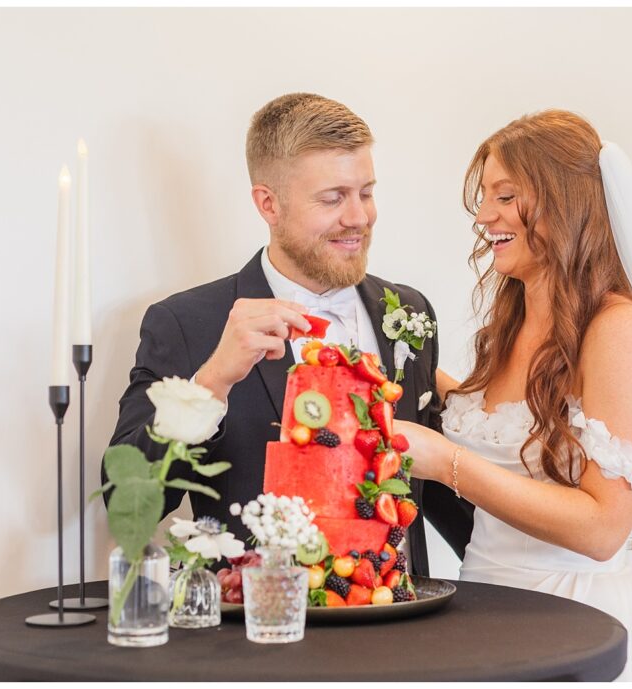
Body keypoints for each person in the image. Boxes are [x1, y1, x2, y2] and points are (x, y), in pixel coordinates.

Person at [397, 110, 632, 680]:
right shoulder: (514, 318)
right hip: (480, 612)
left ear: (564, 203)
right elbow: (502, 425)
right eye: (485, 197)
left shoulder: (621, 331)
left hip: (571, 619)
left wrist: (445, 462)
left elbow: (602, 529)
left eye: (505, 196)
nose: (483, 216)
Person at [104, 93, 474, 576]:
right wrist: (211, 383)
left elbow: (437, 490)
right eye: (333, 197)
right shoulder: (187, 324)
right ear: (268, 204)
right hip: (259, 631)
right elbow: (128, 507)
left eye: (366, 191)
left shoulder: (409, 312)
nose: (359, 217)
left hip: (398, 619)